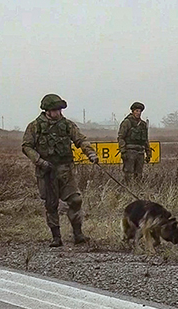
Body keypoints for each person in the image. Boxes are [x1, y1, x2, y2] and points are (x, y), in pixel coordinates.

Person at [22, 94, 99, 247]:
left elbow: (80, 140)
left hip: (65, 170)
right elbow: (26, 146)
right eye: (55, 110)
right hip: (46, 172)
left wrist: (90, 153)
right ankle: (56, 237)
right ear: (47, 111)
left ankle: (78, 234)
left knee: (76, 200)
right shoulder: (35, 126)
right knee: (51, 205)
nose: (59, 113)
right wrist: (40, 161)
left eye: (60, 110)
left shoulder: (67, 125)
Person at [118, 101, 152, 182]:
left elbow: (145, 140)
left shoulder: (143, 124)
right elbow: (121, 137)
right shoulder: (127, 122)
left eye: (140, 111)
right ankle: (127, 190)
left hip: (140, 152)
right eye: (136, 111)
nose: (138, 113)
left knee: (139, 174)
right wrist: (123, 151)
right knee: (128, 173)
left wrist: (148, 152)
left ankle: (137, 190)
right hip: (130, 152)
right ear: (133, 111)